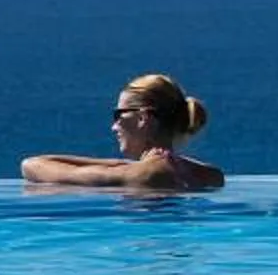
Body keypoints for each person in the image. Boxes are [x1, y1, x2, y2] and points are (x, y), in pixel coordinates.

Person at [20, 73, 225, 191]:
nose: (114, 126)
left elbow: (33, 166)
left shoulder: (140, 175)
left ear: (143, 118)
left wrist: (127, 166)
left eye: (119, 115)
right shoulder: (209, 175)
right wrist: (124, 164)